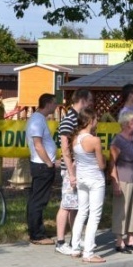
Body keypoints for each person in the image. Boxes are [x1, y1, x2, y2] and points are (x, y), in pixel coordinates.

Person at [54, 89, 93, 257]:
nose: (91, 104)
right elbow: (65, 149)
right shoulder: (68, 120)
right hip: (70, 170)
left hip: (78, 168)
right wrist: (71, 173)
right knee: (66, 205)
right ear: (82, 100)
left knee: (74, 205)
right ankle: (60, 241)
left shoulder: (77, 118)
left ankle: (74, 238)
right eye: (89, 100)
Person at [70, 108, 107, 263]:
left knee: (82, 212)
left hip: (82, 178)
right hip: (95, 179)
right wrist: (104, 158)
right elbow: (101, 165)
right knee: (94, 215)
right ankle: (88, 253)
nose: (97, 122)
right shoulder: (94, 140)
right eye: (96, 119)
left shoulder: (75, 138)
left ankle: (75, 247)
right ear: (90, 120)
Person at [110, 111, 133, 253]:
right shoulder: (118, 140)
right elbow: (112, 163)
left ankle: (130, 240)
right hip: (123, 179)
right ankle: (119, 241)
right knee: (122, 210)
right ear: (126, 124)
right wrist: (115, 183)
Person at [26, 93, 58, 245]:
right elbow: (38, 144)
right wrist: (49, 163)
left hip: (41, 164)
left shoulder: (39, 119)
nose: (56, 106)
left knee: (36, 199)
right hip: (42, 165)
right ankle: (37, 235)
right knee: (38, 200)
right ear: (48, 103)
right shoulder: (37, 120)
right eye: (54, 103)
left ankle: (36, 230)